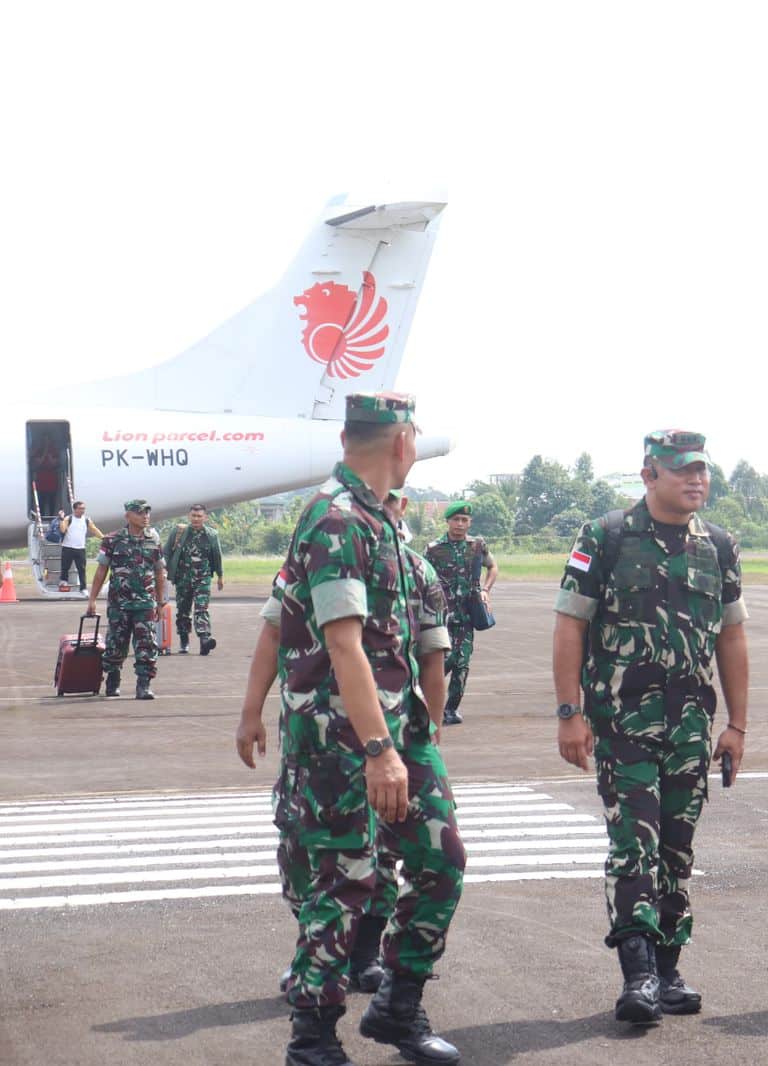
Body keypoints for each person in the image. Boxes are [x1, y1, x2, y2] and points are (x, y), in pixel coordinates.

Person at [251, 392, 464, 1066]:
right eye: (414, 440)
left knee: (440, 860)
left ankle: (398, 1007)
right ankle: (312, 1040)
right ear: (402, 442)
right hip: (344, 743)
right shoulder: (335, 519)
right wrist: (377, 751)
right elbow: (342, 645)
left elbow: (414, 648)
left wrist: (407, 742)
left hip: (402, 735)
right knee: (343, 884)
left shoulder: (383, 524)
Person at [552, 429, 749, 1025]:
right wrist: (570, 713)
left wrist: (737, 724)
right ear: (649, 474)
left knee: (676, 851)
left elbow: (731, 636)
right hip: (622, 724)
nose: (696, 480)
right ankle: (637, 976)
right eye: (682, 469)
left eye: (702, 470)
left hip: (690, 726)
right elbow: (569, 627)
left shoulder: (718, 545)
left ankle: (669, 968)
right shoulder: (607, 536)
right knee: (633, 846)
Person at [237, 489, 451, 1002]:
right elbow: (272, 635)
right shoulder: (318, 556)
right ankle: (316, 952)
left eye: (400, 502)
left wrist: (432, 736)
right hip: (317, 735)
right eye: (387, 500)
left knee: (375, 856)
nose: (393, 508)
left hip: (391, 740)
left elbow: (433, 661)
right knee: (300, 855)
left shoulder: (420, 574)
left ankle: (360, 960)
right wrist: (250, 713)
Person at [424, 501, 498, 725]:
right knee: (442, 662)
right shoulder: (433, 548)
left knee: (462, 665)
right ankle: (424, 703)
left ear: (470, 522)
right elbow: (421, 577)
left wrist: (485, 590)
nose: (459, 524)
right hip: (442, 616)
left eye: (464, 520)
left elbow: (493, 566)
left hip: (467, 615)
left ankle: (450, 710)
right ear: (447, 521)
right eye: (455, 519)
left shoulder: (477, 546)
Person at [86, 499, 166, 700]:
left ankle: (144, 684)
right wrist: (92, 600)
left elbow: (159, 573)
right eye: (140, 513)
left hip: (145, 603)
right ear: (128, 516)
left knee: (147, 643)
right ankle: (113, 679)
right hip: (119, 603)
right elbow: (101, 571)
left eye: (147, 512)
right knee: (116, 643)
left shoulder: (153, 540)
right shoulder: (112, 540)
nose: (145, 516)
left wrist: (161, 602)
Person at [163, 503, 225, 654]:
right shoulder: (179, 532)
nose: (196, 519)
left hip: (202, 578)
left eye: (199, 516)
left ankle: (205, 639)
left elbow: (217, 556)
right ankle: (184, 641)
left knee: (201, 609)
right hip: (182, 578)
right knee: (183, 611)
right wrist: (163, 570)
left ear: (205, 517)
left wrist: (220, 575)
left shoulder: (211, 534)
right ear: (189, 516)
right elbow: (166, 553)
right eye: (193, 516)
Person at [59, 501, 103, 593]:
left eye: (83, 508)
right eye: (80, 508)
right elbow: (63, 530)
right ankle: (64, 582)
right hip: (68, 547)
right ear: (75, 509)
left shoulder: (86, 520)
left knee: (81, 569)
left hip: (80, 549)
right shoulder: (69, 518)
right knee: (65, 567)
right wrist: (61, 519)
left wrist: (103, 537)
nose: (82, 510)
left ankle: (83, 588)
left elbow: (94, 530)